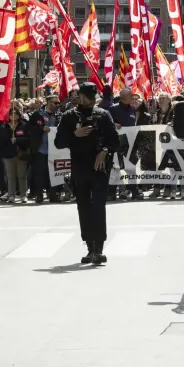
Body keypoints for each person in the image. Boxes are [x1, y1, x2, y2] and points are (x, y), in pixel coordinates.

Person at [54, 82, 120, 265]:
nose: (88, 100)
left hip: (99, 167)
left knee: (98, 206)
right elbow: (58, 142)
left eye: (91, 97)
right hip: (79, 167)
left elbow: (115, 141)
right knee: (83, 206)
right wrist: (75, 134)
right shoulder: (69, 116)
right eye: (85, 96)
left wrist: (105, 150)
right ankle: (90, 247)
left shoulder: (103, 115)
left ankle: (99, 248)